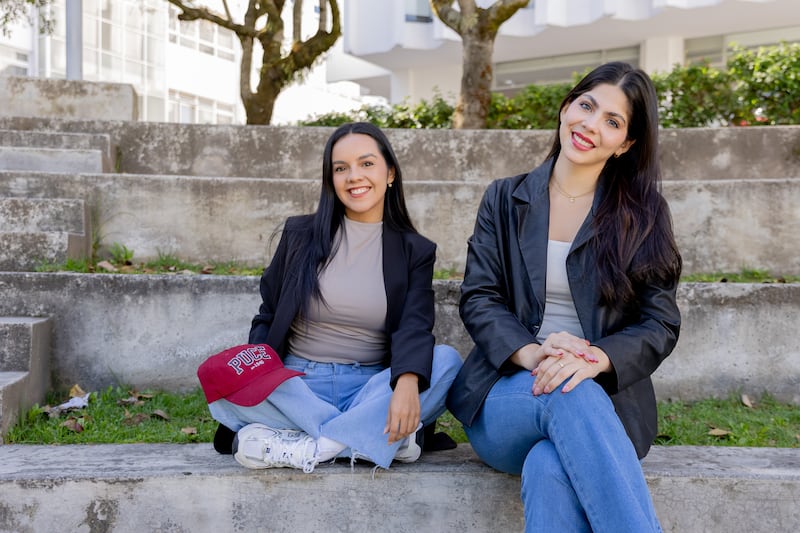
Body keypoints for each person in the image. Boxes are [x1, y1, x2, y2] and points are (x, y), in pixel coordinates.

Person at [446, 62, 682, 532]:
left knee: (549, 465)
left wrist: (594, 360)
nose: (591, 125)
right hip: (507, 393)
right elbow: (480, 297)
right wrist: (535, 354)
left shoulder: (644, 214)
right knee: (565, 392)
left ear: (626, 143)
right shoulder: (504, 198)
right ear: (566, 106)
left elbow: (660, 322)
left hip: (605, 404)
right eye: (586, 106)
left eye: (612, 121)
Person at [200, 121, 462, 473]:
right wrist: (257, 375)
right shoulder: (299, 235)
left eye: (366, 163)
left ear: (390, 173)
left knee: (446, 361)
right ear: (331, 179)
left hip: (370, 388)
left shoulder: (415, 250)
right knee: (222, 380)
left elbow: (414, 325)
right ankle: (366, 438)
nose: (354, 176)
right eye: (341, 168)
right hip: (297, 387)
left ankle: (310, 445)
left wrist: (406, 382)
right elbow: (268, 315)